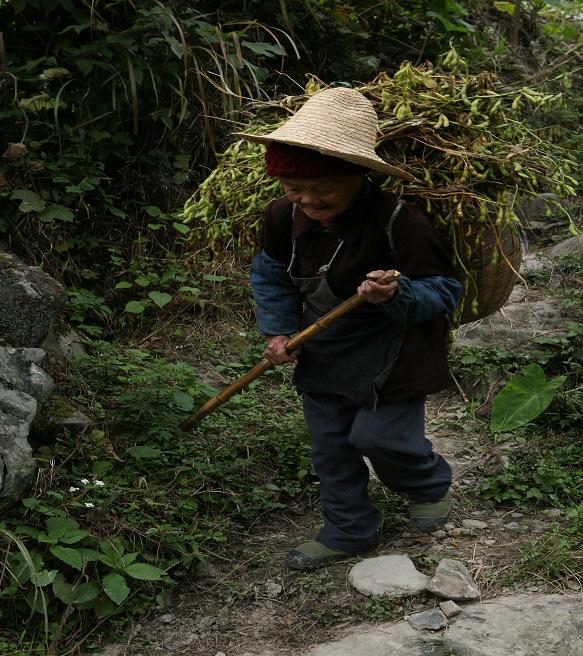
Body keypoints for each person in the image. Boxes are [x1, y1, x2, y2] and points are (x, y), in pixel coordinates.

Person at [236, 87, 463, 570]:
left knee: (380, 438)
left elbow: (445, 291)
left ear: (357, 177)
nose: (307, 199)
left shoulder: (401, 221)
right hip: (323, 342)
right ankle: (348, 529)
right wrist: (276, 332)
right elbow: (271, 274)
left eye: (323, 189)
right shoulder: (281, 216)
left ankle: (426, 483)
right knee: (332, 447)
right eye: (295, 189)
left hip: (397, 348)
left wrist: (396, 293)